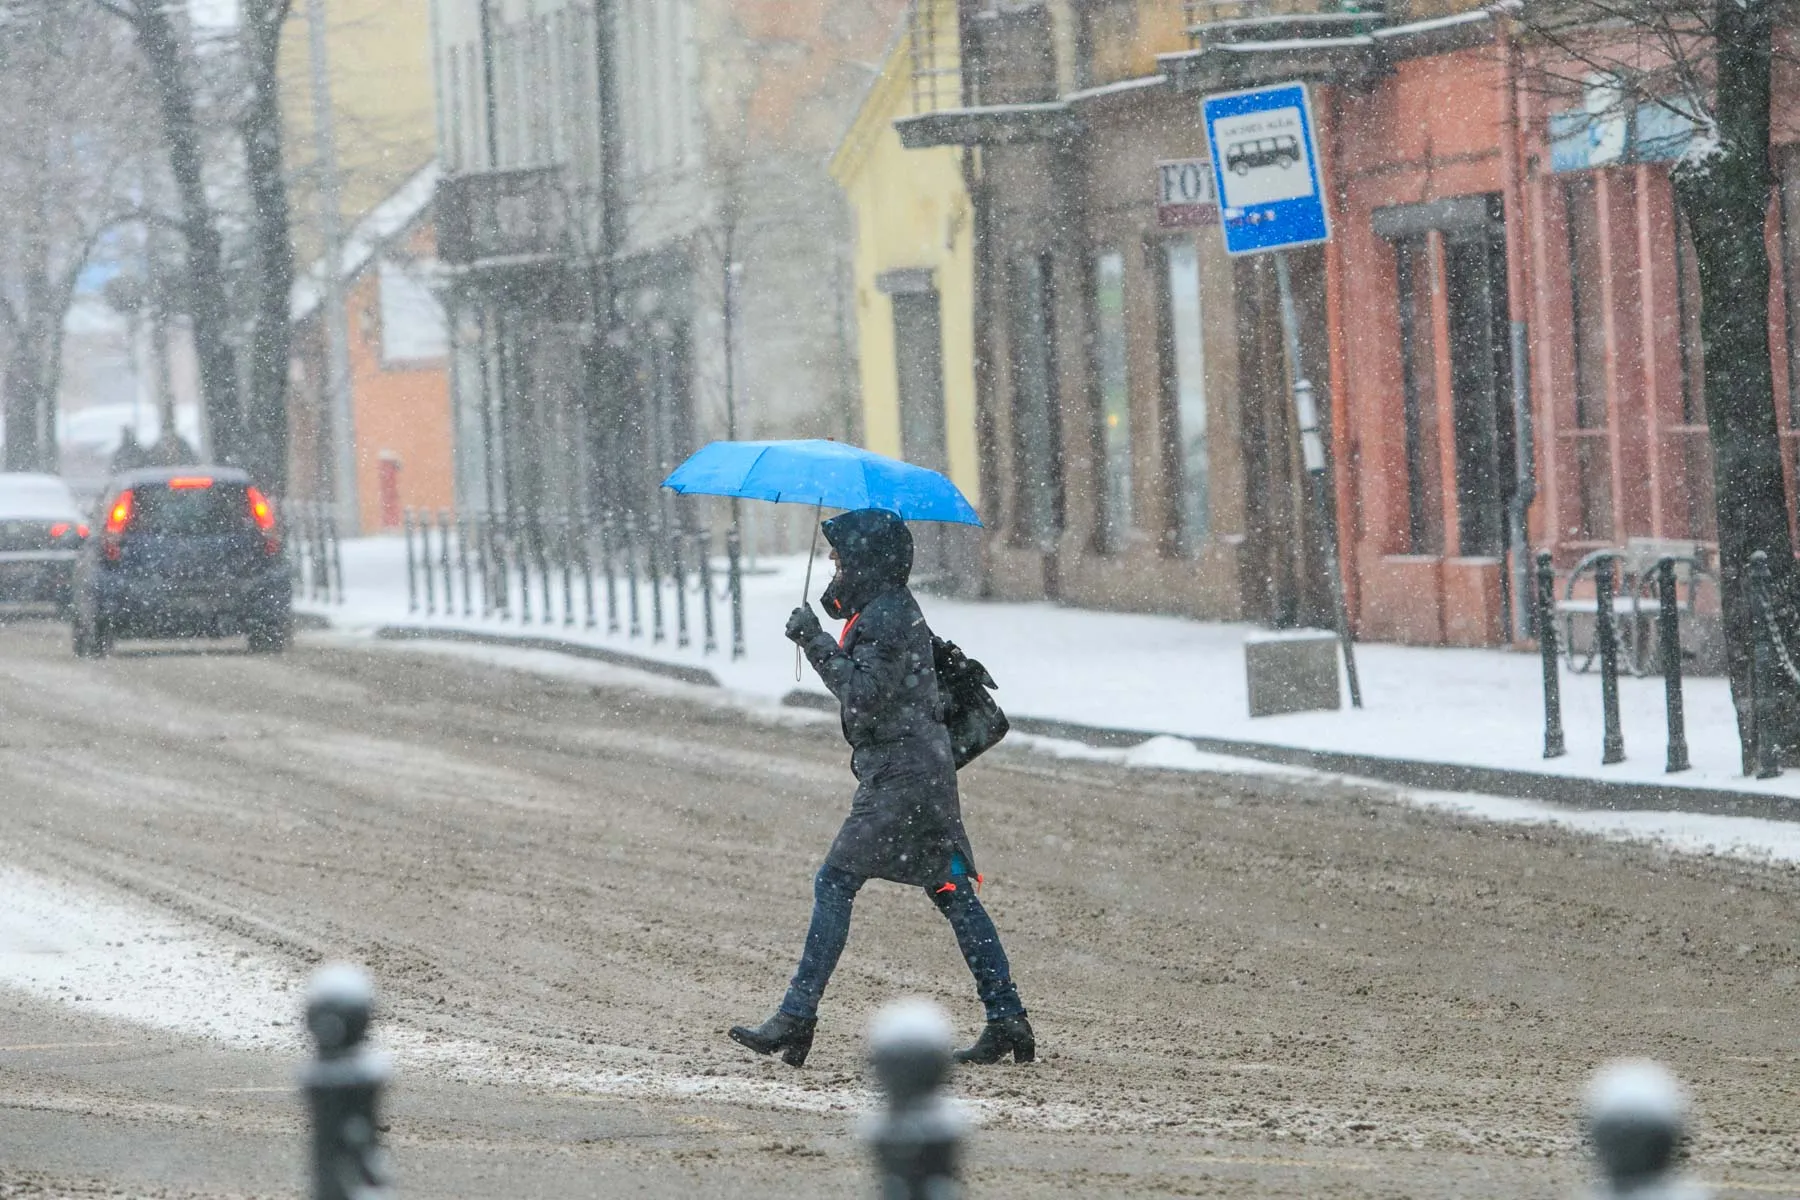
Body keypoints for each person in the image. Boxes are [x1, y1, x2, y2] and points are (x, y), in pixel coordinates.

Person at [728, 508, 1033, 1068]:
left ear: (867, 559)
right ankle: (1007, 1017)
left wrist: (814, 641)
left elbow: (865, 693)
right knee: (953, 893)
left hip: (901, 781)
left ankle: (797, 1017)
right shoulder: (883, 609)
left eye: (840, 554)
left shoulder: (888, 615)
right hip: (917, 774)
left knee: (835, 881)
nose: (832, 561)